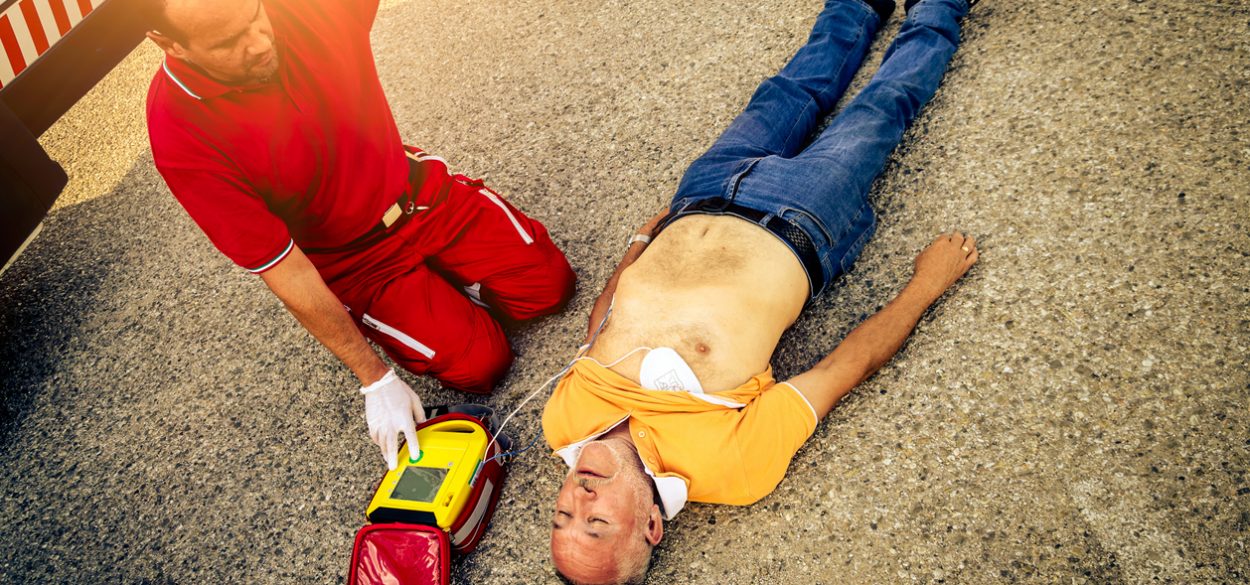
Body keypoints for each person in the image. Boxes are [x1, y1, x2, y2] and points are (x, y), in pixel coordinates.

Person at [541, 0, 980, 582]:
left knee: (790, 89)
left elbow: (604, 323)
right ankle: (940, 9)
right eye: (594, 523)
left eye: (563, 514)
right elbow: (842, 369)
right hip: (803, 217)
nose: (579, 497)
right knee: (883, 106)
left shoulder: (561, 424)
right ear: (651, 525)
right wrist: (928, 285)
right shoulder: (732, 469)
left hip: (700, 195)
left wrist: (642, 238)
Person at [142, 0, 575, 470]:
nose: (260, 41)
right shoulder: (179, 131)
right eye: (229, 42)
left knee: (551, 289)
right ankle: (437, 299)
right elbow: (281, 265)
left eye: (254, 16)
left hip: (417, 194)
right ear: (169, 44)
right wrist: (374, 378)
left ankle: (457, 283)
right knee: (482, 365)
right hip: (355, 262)